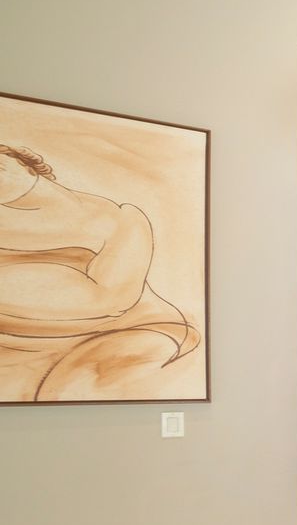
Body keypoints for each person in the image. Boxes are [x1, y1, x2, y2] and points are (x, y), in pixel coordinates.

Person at [0, 142, 200, 400]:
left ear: (27, 166)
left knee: (67, 392)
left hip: (122, 331)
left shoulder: (116, 218)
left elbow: (111, 300)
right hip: (15, 344)